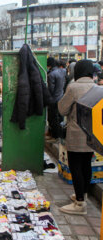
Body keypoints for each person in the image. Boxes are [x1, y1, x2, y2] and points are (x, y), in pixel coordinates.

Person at [58, 60, 96, 215]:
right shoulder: (98, 88)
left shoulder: (74, 87)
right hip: (92, 135)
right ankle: (83, 196)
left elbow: (62, 109)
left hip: (76, 133)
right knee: (87, 164)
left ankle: (80, 204)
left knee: (76, 166)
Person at [46, 57, 65, 141]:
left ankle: (54, 136)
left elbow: (51, 89)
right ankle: (58, 135)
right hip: (61, 98)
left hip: (53, 100)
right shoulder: (62, 72)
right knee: (60, 118)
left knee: (52, 118)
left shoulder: (51, 74)